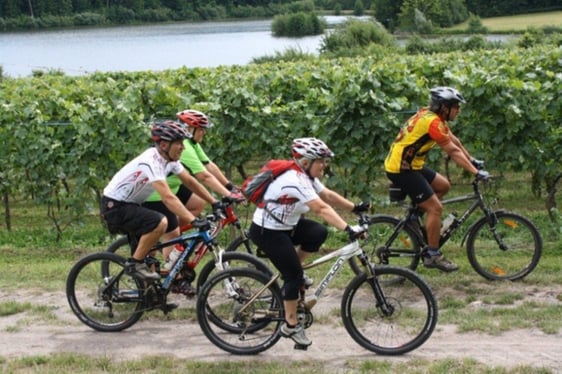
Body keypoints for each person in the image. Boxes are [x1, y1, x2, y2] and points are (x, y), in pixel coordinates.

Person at [248, 137, 369, 347]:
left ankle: (296, 268)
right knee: (292, 276)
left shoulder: (308, 176)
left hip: (287, 227)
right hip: (267, 231)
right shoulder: (295, 179)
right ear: (306, 162)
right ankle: (291, 325)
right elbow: (321, 208)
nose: (324, 165)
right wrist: (348, 229)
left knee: (317, 232)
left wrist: (354, 208)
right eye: (321, 161)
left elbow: (328, 196)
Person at [100, 120, 223, 281]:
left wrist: (214, 202)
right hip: (114, 206)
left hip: (132, 204)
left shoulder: (169, 161)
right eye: (179, 143)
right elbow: (168, 197)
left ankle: (154, 290)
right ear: (164, 145)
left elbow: (190, 181)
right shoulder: (151, 161)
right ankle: (135, 264)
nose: (183, 147)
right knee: (160, 222)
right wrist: (193, 221)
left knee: (162, 234)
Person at [384, 86, 489, 272]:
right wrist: (475, 172)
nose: (458, 110)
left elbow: (454, 141)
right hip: (401, 168)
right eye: (456, 107)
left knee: (443, 186)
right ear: (444, 107)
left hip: (411, 164)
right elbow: (452, 151)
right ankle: (433, 255)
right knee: (435, 208)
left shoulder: (431, 116)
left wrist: (471, 159)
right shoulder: (432, 122)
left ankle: (415, 218)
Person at [143, 109, 243, 266]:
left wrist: (229, 187)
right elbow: (203, 176)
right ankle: (169, 244)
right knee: (172, 229)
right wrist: (228, 195)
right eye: (201, 129)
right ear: (191, 129)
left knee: (198, 203)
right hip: (157, 193)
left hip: (175, 185)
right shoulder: (186, 148)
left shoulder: (192, 144)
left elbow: (209, 165)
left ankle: (175, 235)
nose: (204, 133)